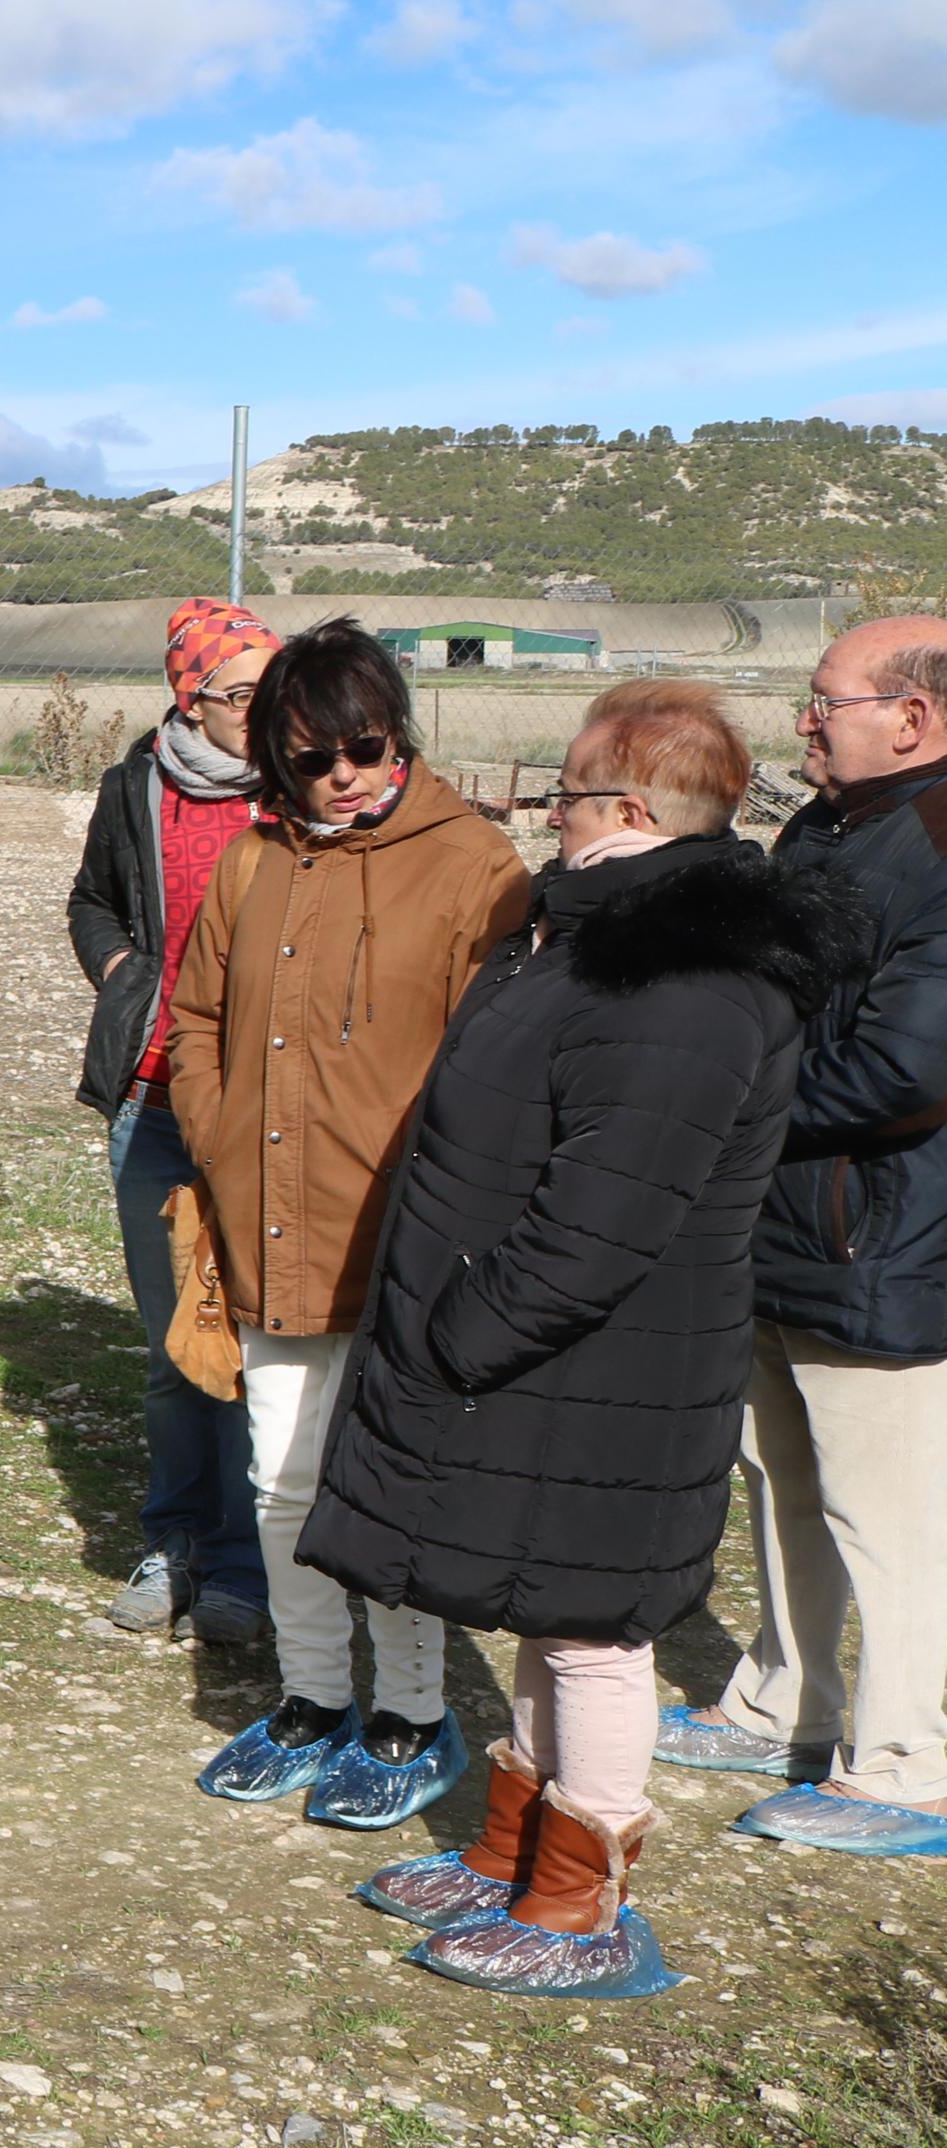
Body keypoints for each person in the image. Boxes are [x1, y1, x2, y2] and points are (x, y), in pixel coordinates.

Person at [305, 683, 847, 1994]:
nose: (546, 816)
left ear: (620, 807)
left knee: (594, 1628)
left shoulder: (681, 980)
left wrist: (459, 1327)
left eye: (560, 795)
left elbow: (607, 1215)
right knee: (540, 1609)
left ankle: (579, 1905)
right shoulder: (596, 940)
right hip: (548, 1364)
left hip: (599, 1361)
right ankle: (511, 1854)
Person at [167, 617, 530, 1834]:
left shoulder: (476, 865)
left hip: (404, 1238)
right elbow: (197, 1021)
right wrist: (216, 1140)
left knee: (385, 1488)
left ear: (397, 733)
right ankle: (314, 1696)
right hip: (264, 1222)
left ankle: (412, 1716)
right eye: (305, 757)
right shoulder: (249, 863)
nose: (338, 777)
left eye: (360, 746)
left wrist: (444, 1208)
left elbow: (499, 1068)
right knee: (278, 1480)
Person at [664, 615, 947, 1858]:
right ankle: (784, 1700)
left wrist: (723, 1104)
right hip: (781, 1221)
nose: (802, 721)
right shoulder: (826, 825)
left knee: (886, 1508)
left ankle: (908, 1763)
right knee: (777, 1474)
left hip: (878, 1234)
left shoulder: (937, 844)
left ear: (912, 716)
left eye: (823, 699)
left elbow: (906, 1069)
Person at [65, 596, 278, 1646]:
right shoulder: (135, 787)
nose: (265, 706)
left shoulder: (303, 793)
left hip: (264, 1108)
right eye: (242, 690)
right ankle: (174, 1545)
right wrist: (122, 977)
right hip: (150, 1096)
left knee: (245, 1336)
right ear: (189, 697)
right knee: (170, 1341)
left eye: (271, 684)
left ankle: (245, 1568)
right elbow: (91, 900)